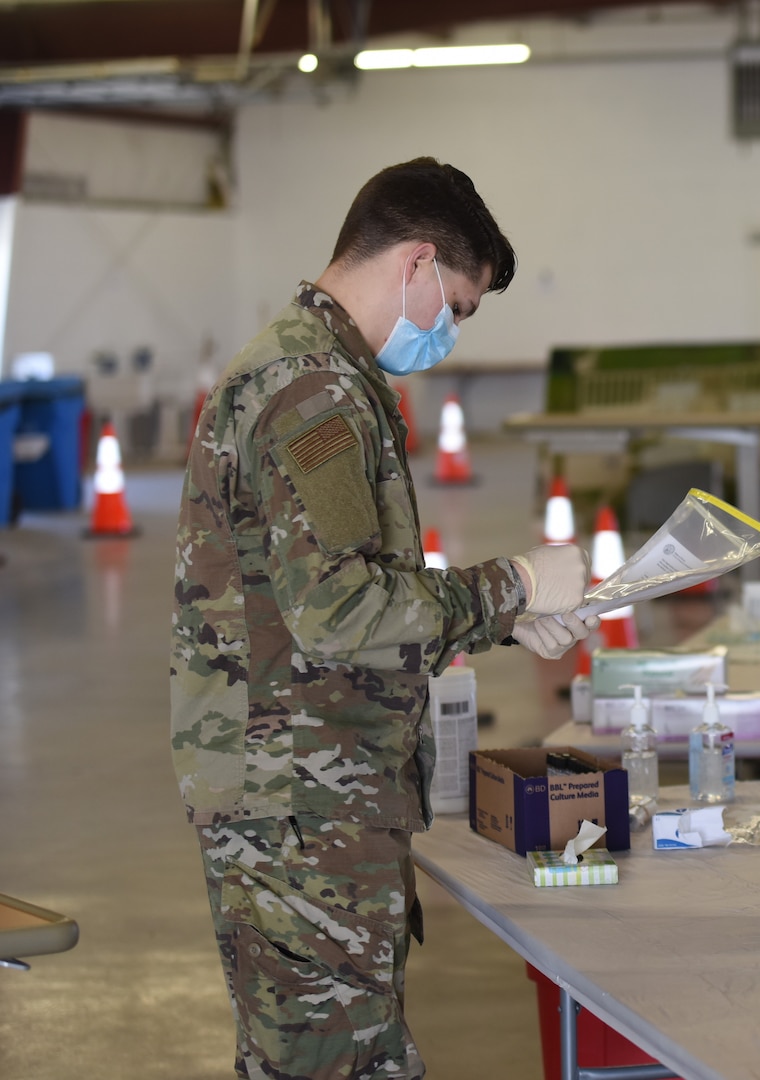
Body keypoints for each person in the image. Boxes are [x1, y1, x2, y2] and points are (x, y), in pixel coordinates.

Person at [171, 158, 598, 1080]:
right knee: (336, 1065)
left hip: (306, 791)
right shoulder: (312, 390)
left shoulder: (317, 370)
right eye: (459, 305)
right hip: (298, 804)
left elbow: (329, 591)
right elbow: (340, 608)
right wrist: (514, 584)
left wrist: (497, 623)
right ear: (416, 262)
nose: (450, 332)